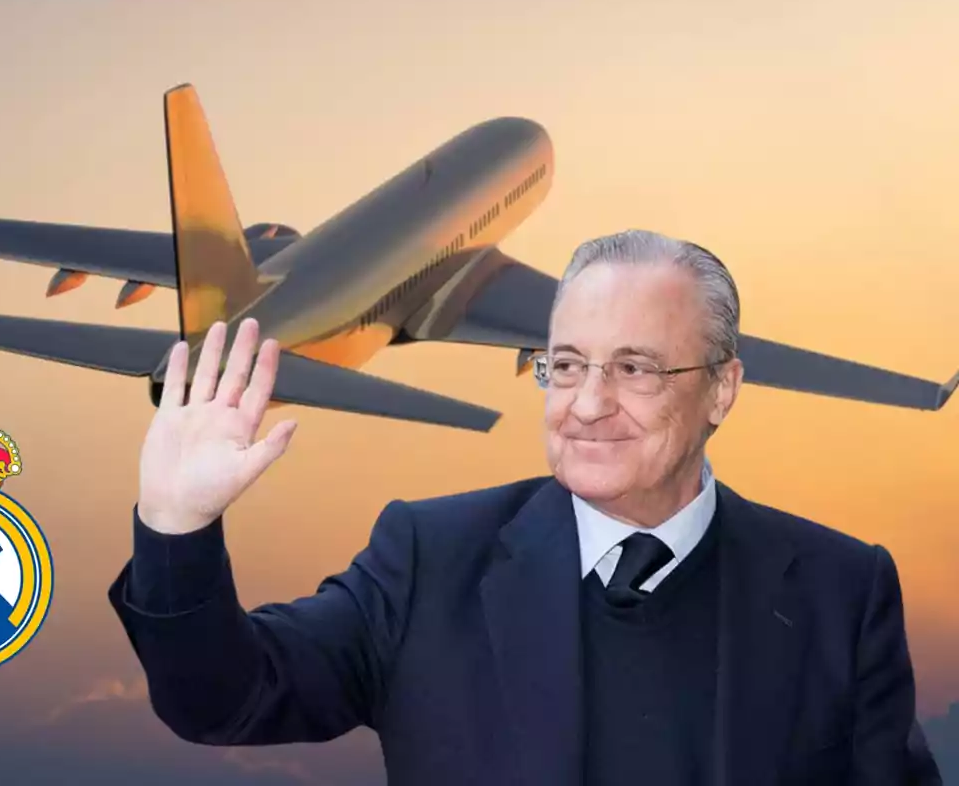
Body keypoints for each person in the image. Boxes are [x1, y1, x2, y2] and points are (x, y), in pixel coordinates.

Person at [107, 229, 941, 785]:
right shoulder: (427, 558)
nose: (585, 405)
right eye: (566, 365)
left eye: (636, 369)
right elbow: (222, 700)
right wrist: (175, 526)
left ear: (722, 388)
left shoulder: (842, 589)